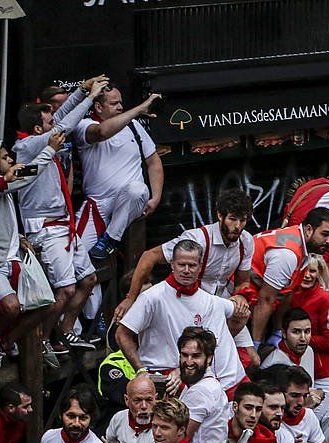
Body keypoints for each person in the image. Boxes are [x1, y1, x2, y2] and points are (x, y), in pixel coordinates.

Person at [15, 76, 106, 356]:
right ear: (37, 128)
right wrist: (91, 99)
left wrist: (80, 91)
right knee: (65, 290)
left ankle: (66, 332)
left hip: (64, 224)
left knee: (88, 280)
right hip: (45, 227)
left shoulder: (40, 136)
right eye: (48, 120)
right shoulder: (27, 147)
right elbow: (65, 125)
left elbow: (62, 117)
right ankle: (43, 340)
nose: (53, 122)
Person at [117, 239, 247, 395]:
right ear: (172, 264)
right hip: (162, 377)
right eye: (181, 265)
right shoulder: (152, 297)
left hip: (195, 375)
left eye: (192, 266)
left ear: (200, 267)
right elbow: (122, 334)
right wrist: (141, 370)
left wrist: (241, 299)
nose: (186, 270)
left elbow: (243, 313)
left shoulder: (209, 300)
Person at [118, 188, 255, 324]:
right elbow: (150, 256)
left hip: (220, 304)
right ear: (220, 216)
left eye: (242, 220)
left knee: (243, 318)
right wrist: (131, 298)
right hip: (190, 303)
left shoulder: (246, 241)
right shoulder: (198, 238)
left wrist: (241, 296)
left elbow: (243, 281)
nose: (237, 226)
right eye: (232, 219)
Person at [74, 86, 164, 278]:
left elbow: (153, 161)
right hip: (98, 204)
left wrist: (156, 197)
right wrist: (139, 109)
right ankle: (91, 309)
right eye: (114, 103)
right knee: (79, 262)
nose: (120, 107)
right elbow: (101, 132)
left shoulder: (134, 126)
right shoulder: (84, 125)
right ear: (98, 107)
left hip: (131, 202)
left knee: (137, 189)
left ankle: (110, 239)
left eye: (121, 102)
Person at [0, 129, 62, 369]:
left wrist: (19, 236)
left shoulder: (4, 187)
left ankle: (4, 344)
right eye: (3, 157)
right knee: (11, 307)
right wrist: (50, 150)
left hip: (15, 259)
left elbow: (1, 219)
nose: (10, 158)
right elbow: (30, 175)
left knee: (47, 303)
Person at [244, 206, 329, 346]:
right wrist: (255, 344)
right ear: (308, 230)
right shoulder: (287, 254)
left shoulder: (299, 240)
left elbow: (287, 293)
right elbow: (265, 299)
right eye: (325, 234)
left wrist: (277, 332)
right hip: (238, 293)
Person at [175, 327, 232, 443]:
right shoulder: (197, 384)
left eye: (196, 356)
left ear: (209, 358)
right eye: (184, 355)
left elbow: (181, 440)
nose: (188, 361)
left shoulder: (201, 390)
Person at [289, 257, 329, 407]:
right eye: (303, 270)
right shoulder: (293, 295)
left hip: (326, 376)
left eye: (312, 271)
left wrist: (296, 337)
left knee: (311, 420)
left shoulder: (327, 300)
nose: (307, 275)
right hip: (304, 372)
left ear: (319, 274)